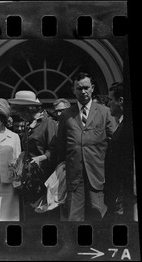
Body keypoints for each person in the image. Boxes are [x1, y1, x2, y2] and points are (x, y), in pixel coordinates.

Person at [56, 72, 116, 221]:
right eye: (79, 88)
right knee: (74, 221)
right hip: (75, 179)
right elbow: (60, 147)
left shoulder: (105, 112)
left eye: (86, 87)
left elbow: (115, 144)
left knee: (99, 219)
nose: (83, 91)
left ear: (92, 88)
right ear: (73, 90)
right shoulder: (66, 115)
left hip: (98, 177)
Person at [8, 90, 58, 222]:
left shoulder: (48, 124)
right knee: (30, 218)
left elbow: (55, 149)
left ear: (28, 110)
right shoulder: (29, 125)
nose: (20, 115)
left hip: (44, 179)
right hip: (30, 179)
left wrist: (42, 157)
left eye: (21, 111)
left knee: (44, 218)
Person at [104, 82, 135, 221]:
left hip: (122, 198)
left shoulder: (126, 129)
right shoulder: (122, 126)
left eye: (111, 100)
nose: (109, 104)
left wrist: (119, 198)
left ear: (121, 100)